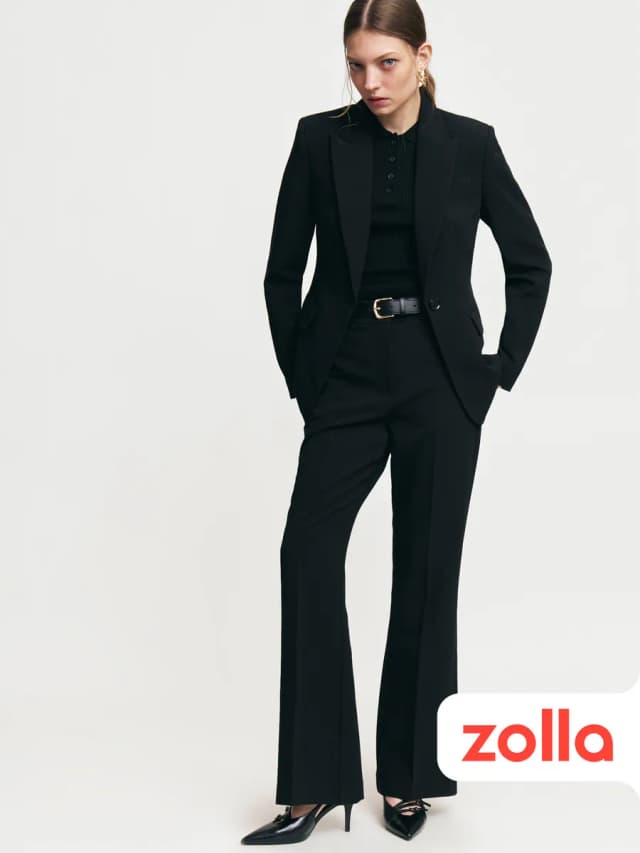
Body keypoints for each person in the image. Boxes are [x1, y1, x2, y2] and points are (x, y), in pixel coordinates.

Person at [241, 0, 551, 844]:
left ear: (422, 56)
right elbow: (281, 271)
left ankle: (410, 775)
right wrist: (307, 380)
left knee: (425, 572)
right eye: (356, 64)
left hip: (439, 379)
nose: (370, 81)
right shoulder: (319, 140)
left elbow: (530, 262)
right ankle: (313, 785)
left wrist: (495, 372)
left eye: (386, 62)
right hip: (344, 376)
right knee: (307, 554)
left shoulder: (470, 145)